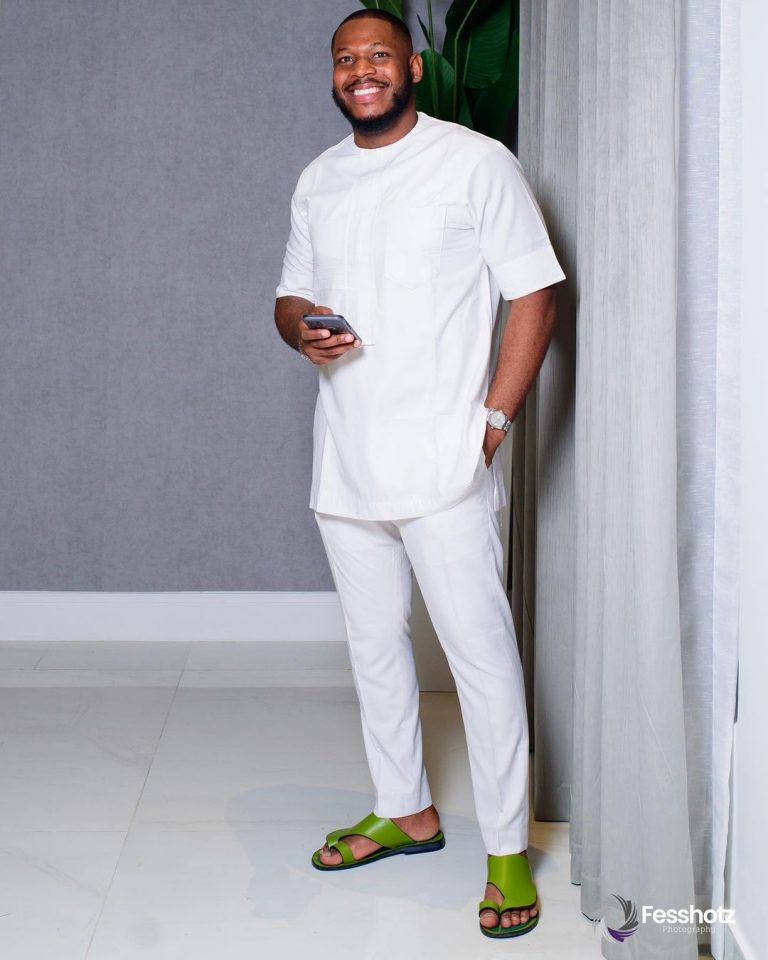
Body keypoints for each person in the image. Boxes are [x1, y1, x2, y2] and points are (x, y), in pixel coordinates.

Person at [274, 8, 564, 940]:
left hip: (445, 461)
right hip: (344, 457)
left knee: (481, 658)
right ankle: (404, 809)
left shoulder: (475, 162)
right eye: (345, 59)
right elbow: (288, 295)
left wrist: (493, 421)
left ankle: (509, 850)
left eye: (379, 56)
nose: (361, 71)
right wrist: (302, 328)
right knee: (374, 647)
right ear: (334, 75)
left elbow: (534, 291)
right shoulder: (320, 177)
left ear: (414, 67)